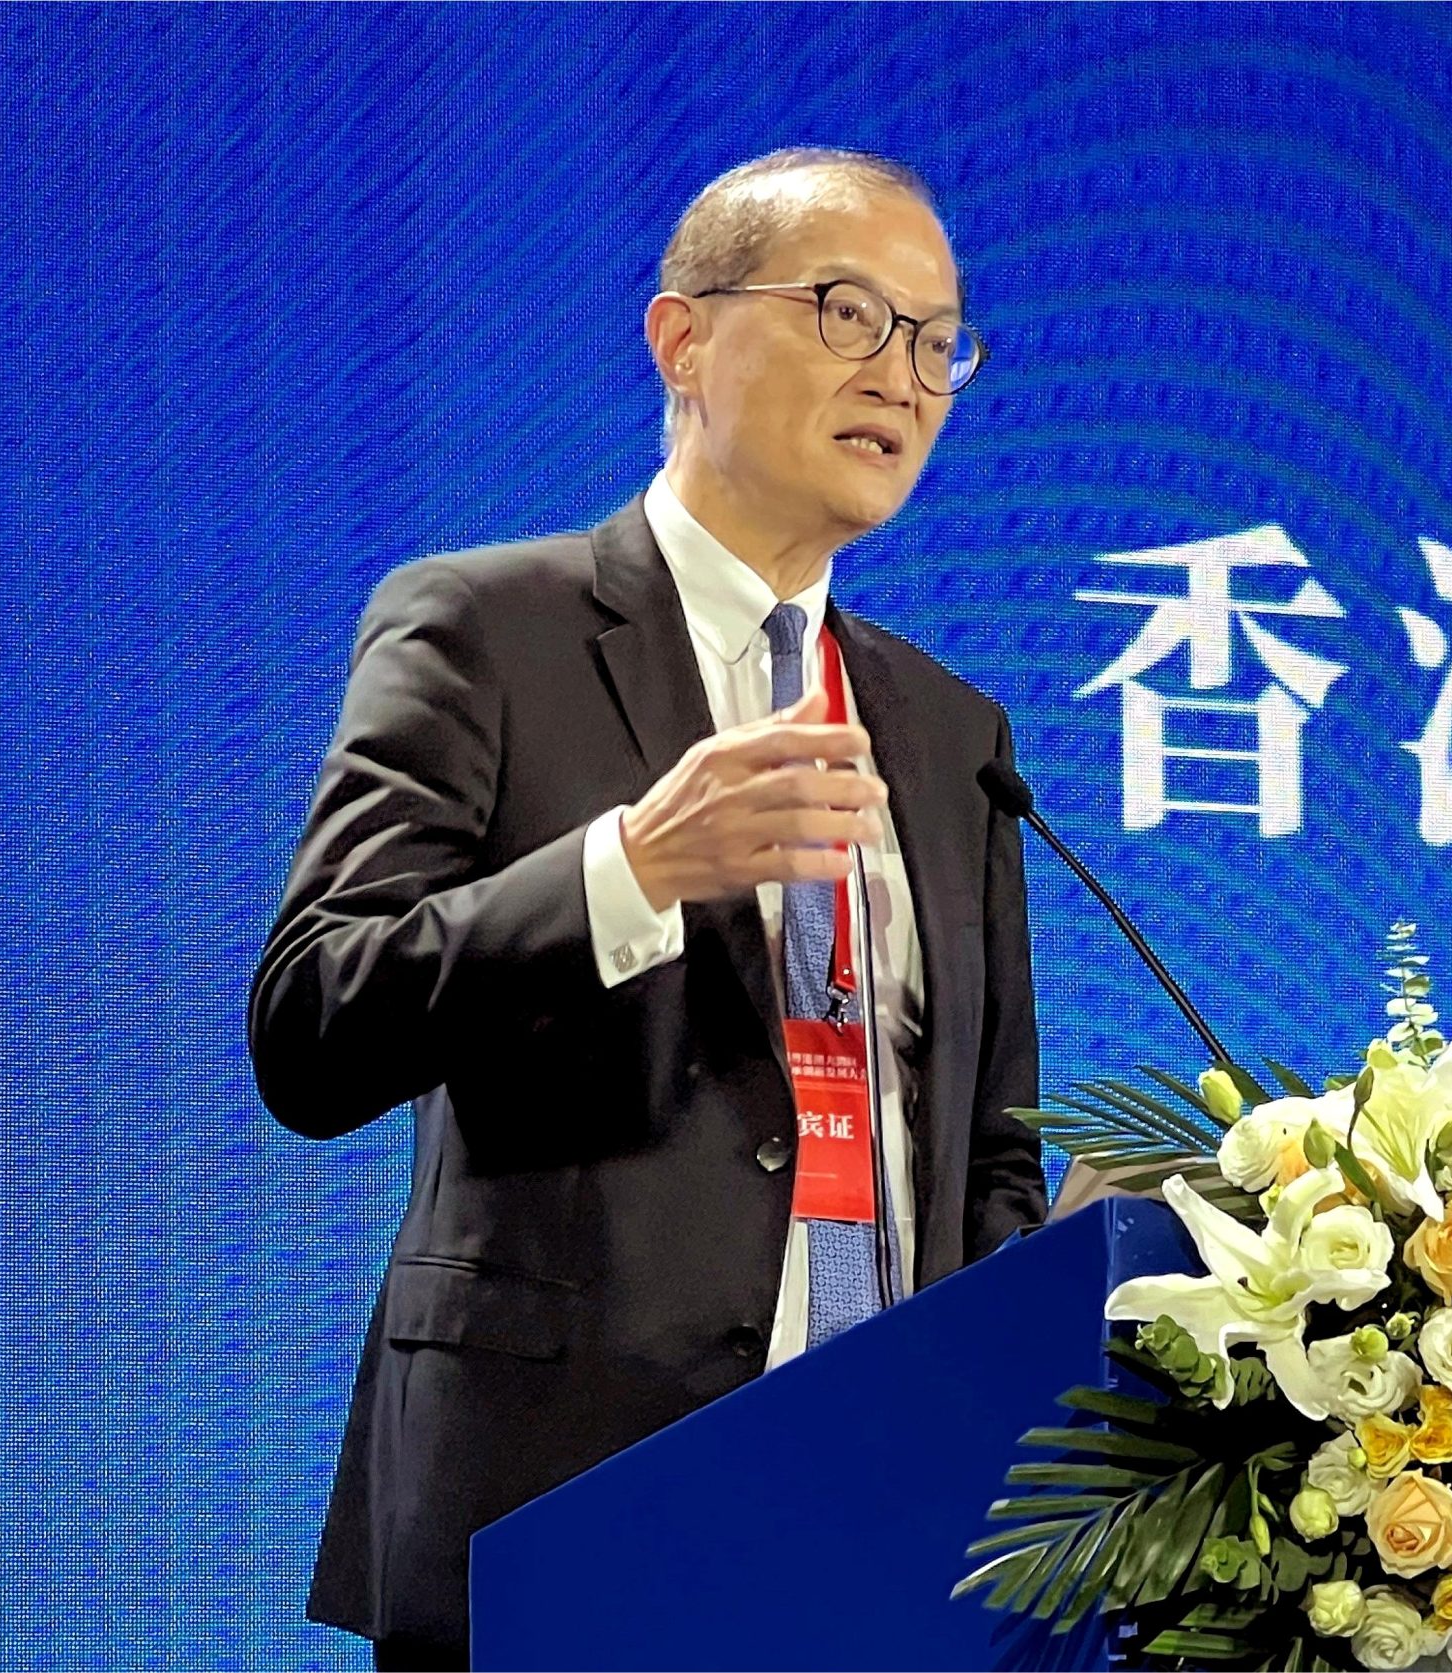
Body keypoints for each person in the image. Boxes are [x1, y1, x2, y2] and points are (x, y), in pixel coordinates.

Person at [246, 146, 1046, 1670]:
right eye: (849, 313)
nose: (903, 375)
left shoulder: (951, 729)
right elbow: (314, 1021)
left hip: (883, 1514)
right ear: (683, 338)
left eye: (940, 341)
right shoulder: (487, 627)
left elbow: (986, 1139)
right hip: (567, 1495)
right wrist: (630, 868)